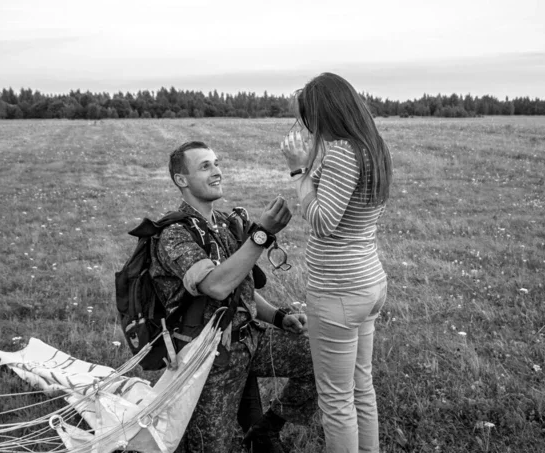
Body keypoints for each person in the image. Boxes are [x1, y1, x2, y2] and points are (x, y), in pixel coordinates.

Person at [149, 140, 318, 453]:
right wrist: (260, 236)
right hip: (209, 358)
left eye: (216, 163)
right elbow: (216, 286)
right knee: (210, 446)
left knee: (322, 358)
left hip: (250, 340)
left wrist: (279, 317)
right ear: (181, 180)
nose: (217, 171)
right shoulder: (174, 234)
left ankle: (267, 429)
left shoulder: (225, 225)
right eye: (205, 166)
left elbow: (242, 291)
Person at [280, 72, 392, 452]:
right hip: (367, 283)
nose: (308, 128)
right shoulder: (372, 148)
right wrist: (312, 167)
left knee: (336, 400)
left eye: (308, 119)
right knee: (361, 387)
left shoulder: (343, 152)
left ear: (324, 113)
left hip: (339, 291)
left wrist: (298, 172)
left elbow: (323, 222)